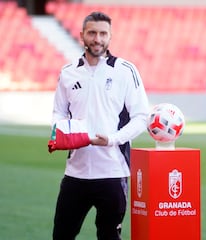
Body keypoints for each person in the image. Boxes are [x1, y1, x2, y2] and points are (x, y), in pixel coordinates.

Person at [50, 12, 149, 240]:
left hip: (113, 173)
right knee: (61, 235)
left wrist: (112, 139)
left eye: (103, 33)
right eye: (92, 33)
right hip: (76, 173)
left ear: (110, 36)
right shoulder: (68, 72)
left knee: (109, 237)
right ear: (82, 35)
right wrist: (60, 133)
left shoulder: (125, 70)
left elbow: (141, 116)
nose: (97, 38)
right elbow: (59, 111)